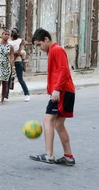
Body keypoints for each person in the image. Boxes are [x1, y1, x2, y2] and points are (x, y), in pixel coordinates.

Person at [29, 28, 76, 166]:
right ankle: (68, 157)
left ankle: (49, 155)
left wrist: (56, 90)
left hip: (62, 91)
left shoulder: (56, 50)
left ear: (46, 39)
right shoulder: (53, 51)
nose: (39, 48)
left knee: (48, 119)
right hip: (65, 91)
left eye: (39, 44)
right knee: (58, 123)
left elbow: (64, 70)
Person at [5, 27, 30, 102]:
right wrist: (15, 52)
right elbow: (16, 52)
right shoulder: (11, 41)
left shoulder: (17, 41)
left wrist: (13, 53)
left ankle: (26, 94)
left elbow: (16, 52)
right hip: (13, 61)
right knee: (11, 79)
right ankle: (6, 96)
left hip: (15, 61)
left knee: (18, 79)